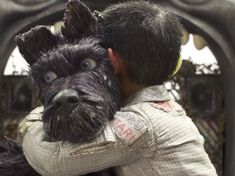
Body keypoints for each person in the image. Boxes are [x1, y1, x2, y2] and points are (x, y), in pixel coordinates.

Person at [19, 1, 217, 175]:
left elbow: (56, 162)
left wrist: (31, 122)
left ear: (113, 60)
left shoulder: (141, 123)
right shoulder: (165, 110)